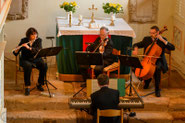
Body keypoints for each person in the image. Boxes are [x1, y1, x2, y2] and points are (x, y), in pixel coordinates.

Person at [132, 26, 175, 97]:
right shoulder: (146, 39)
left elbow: (172, 48)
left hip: (159, 60)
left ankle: (157, 89)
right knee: (135, 67)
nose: (151, 34)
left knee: (157, 68)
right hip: (147, 60)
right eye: (150, 33)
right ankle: (147, 79)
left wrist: (163, 41)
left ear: (158, 33)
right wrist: (135, 49)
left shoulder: (162, 40)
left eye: (153, 33)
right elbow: (136, 44)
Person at [13, 27, 47, 96]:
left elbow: (38, 50)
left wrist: (29, 48)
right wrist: (16, 49)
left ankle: (39, 83)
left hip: (36, 59)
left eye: (35, 34)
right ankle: (27, 87)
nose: (35, 36)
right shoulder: (24, 40)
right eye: (33, 35)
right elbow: (15, 53)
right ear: (29, 35)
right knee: (28, 66)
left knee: (44, 65)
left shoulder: (38, 40)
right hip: (25, 59)